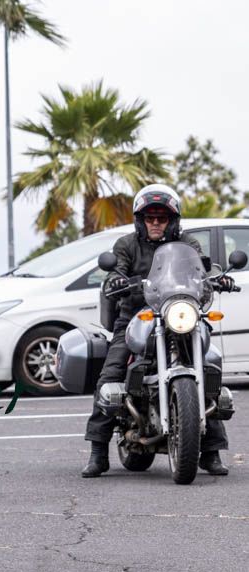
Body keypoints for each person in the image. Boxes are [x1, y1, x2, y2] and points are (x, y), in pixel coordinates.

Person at [82, 183, 230, 477]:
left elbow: (203, 267)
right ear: (141, 220)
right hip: (137, 315)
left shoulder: (187, 243)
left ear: (172, 221)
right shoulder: (126, 245)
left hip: (180, 312)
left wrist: (217, 277)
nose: (156, 223)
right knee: (111, 372)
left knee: (209, 366)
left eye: (162, 218)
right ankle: (97, 451)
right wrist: (116, 281)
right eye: (150, 217)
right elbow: (116, 269)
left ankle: (210, 451)